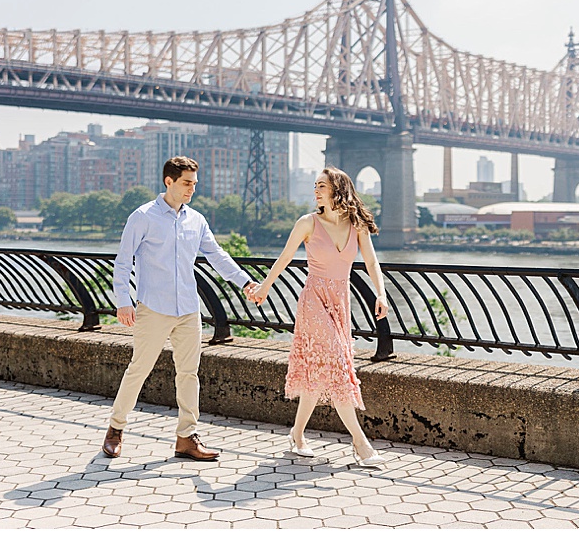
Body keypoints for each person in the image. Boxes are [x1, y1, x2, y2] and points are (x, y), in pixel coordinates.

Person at [100, 155, 267, 462]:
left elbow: (217, 255)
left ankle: (186, 438)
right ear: (169, 182)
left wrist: (246, 283)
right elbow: (123, 262)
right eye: (187, 183)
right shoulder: (143, 217)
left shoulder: (196, 220)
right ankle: (116, 428)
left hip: (189, 309)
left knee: (189, 374)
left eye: (194, 183)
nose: (192, 189)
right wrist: (123, 301)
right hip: (153, 308)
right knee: (139, 370)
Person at [249, 167, 390, 465]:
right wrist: (264, 288)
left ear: (338, 189)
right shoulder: (307, 223)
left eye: (322, 186)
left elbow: (372, 261)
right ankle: (360, 443)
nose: (316, 191)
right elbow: (285, 257)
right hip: (314, 300)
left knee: (319, 371)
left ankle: (297, 434)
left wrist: (381, 293)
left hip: (340, 301)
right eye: (315, 186)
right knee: (338, 364)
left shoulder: (357, 225)